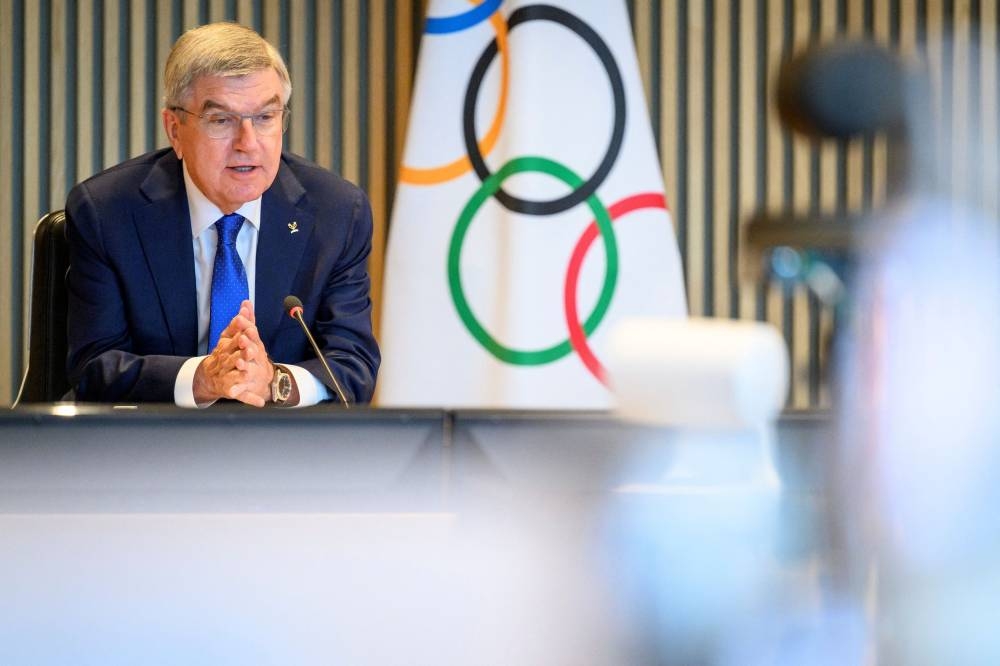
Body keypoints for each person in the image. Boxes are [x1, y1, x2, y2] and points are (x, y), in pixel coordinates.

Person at [64, 22, 379, 407]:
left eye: (265, 117)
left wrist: (274, 382)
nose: (248, 143)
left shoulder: (336, 213)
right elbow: (93, 368)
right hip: (153, 438)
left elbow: (353, 366)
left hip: (284, 441)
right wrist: (202, 378)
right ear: (175, 130)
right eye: (221, 120)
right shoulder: (108, 213)